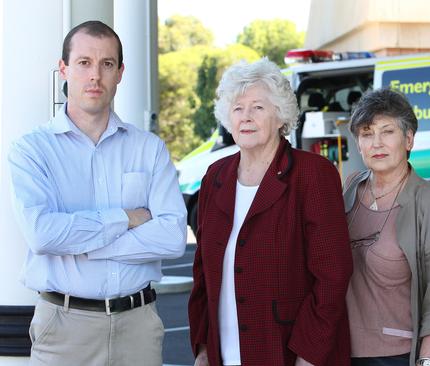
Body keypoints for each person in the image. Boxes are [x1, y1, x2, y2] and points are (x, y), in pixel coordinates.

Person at [8, 21, 187, 365]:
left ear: (120, 73)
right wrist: (127, 218)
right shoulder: (32, 150)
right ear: (63, 69)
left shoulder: (148, 149)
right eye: (84, 63)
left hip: (138, 326)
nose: (95, 76)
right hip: (64, 328)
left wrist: (81, 244)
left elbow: (172, 237)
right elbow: (43, 235)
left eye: (106, 64)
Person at [188, 58, 353, 366]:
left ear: (280, 116)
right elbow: (202, 274)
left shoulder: (312, 173)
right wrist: (203, 348)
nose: (246, 117)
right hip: (224, 354)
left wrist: (309, 356)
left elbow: (333, 275)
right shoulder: (215, 177)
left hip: (289, 353)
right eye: (238, 109)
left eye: (258, 107)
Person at [343, 88, 430, 366]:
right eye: (366, 133)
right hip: (342, 351)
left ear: (408, 139)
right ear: (358, 144)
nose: (376, 143)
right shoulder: (348, 190)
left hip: (399, 356)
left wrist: (427, 362)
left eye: (387, 132)